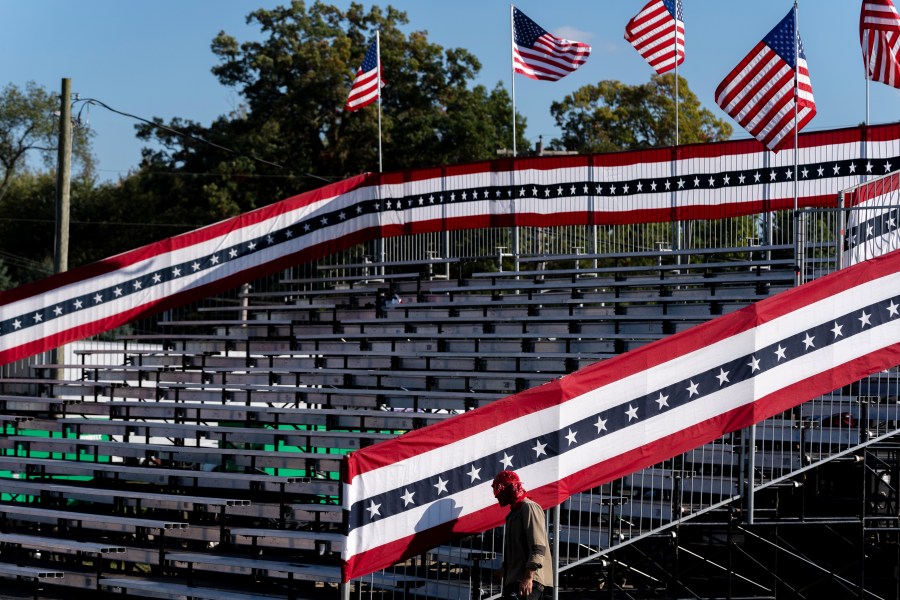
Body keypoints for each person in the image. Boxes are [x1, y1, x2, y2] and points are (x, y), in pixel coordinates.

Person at [492, 470, 552, 600]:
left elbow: (538, 546)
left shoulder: (529, 507)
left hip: (529, 580)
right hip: (515, 579)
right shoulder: (513, 514)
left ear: (512, 488)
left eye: (501, 489)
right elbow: (517, 551)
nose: (497, 495)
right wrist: (504, 570)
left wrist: (529, 577)